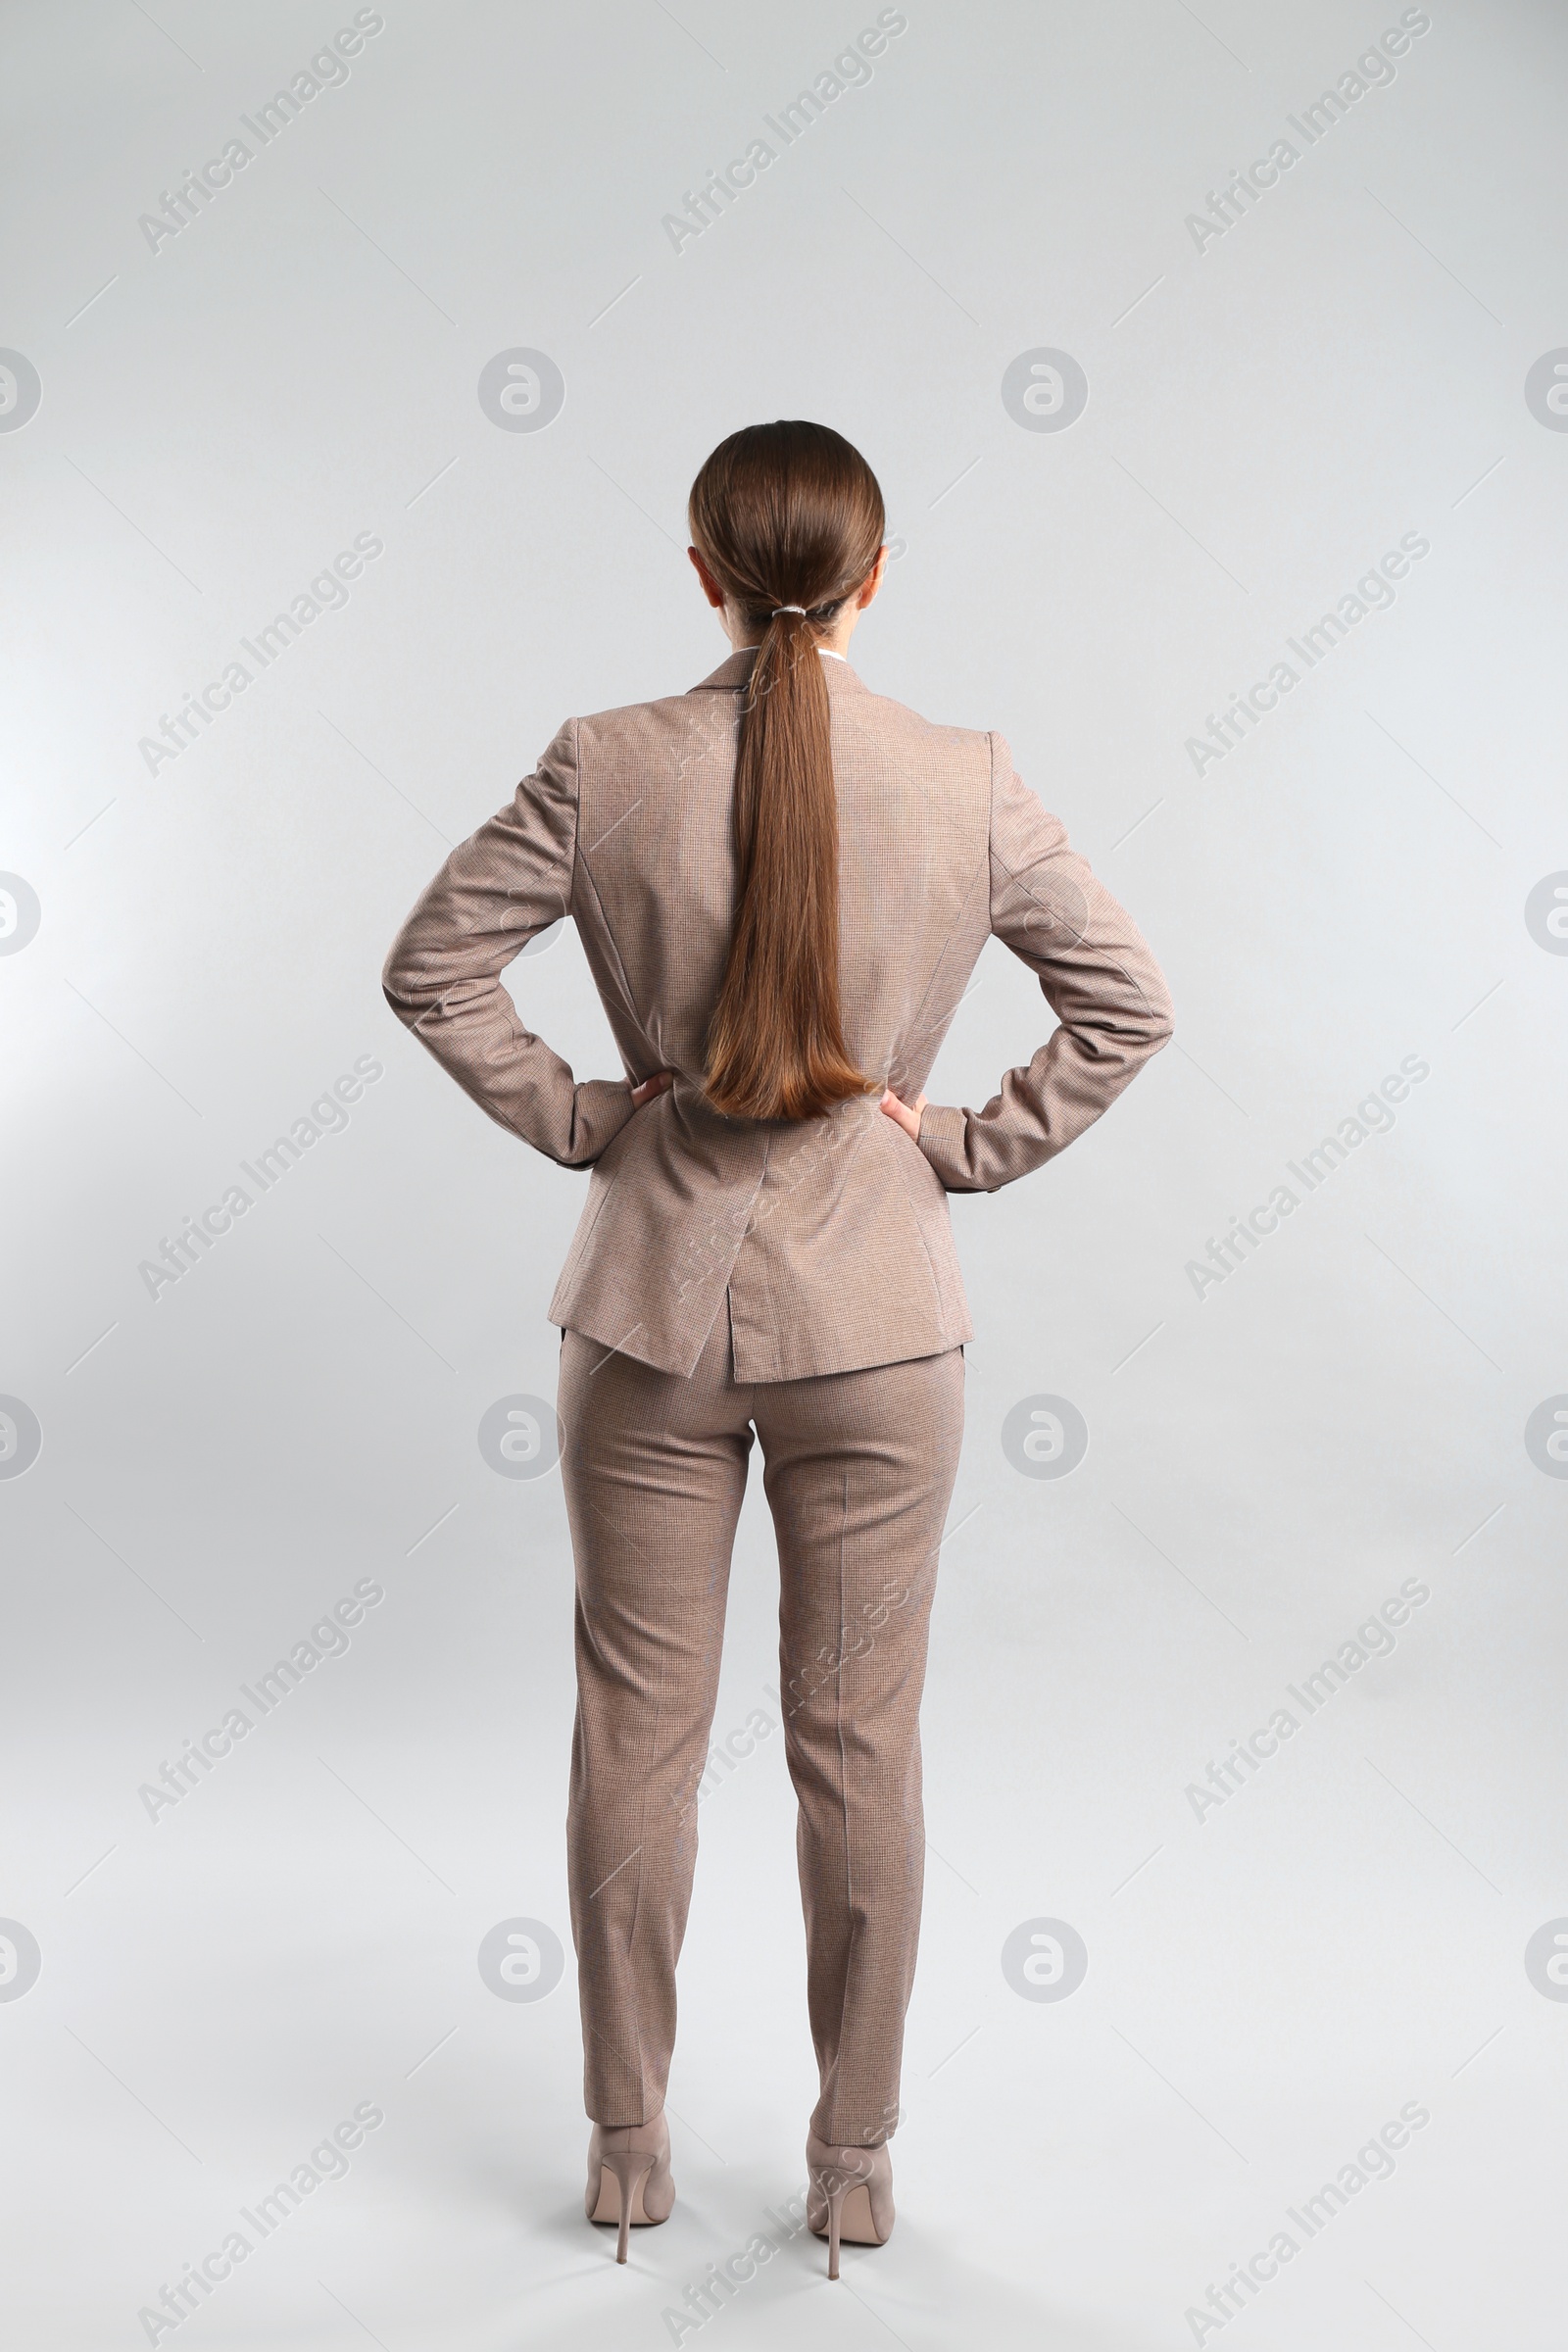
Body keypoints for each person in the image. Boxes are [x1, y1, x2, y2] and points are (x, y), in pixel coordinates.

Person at [380, 418, 1174, 2277]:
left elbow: (431, 966)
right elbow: (1130, 1001)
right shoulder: (963, 778)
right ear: (874, 579)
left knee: (633, 1737)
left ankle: (628, 2147)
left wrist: (589, 1117)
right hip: (882, 1328)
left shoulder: (606, 765)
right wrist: (960, 1147)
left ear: (702, 572)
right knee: (862, 1745)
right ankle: (856, 2167)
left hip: (647, 1315)